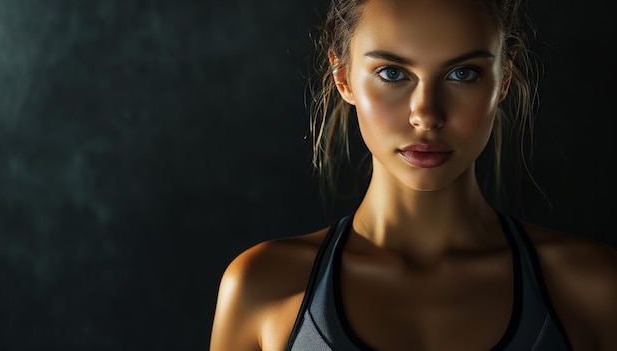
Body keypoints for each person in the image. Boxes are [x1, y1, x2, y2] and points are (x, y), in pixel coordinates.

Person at [209, 0, 617, 349]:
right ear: (343, 76)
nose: (426, 114)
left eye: (463, 73)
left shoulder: (593, 289)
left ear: (504, 78)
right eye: (392, 73)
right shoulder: (262, 288)